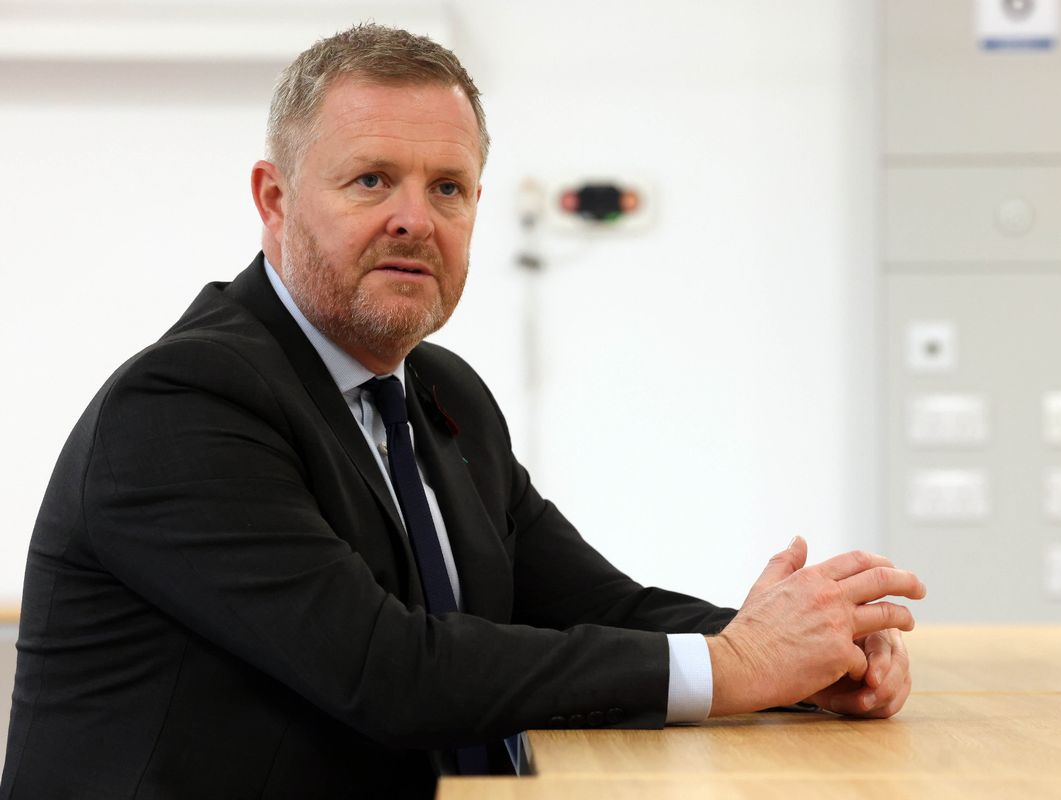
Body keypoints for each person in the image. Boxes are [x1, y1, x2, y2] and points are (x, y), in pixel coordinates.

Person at [0, 24, 925, 799]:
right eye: (371, 181)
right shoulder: (183, 404)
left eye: (448, 188)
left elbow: (592, 606)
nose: (415, 218)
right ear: (274, 202)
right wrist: (737, 669)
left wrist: (804, 658)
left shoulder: (442, 394)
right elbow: (389, 671)